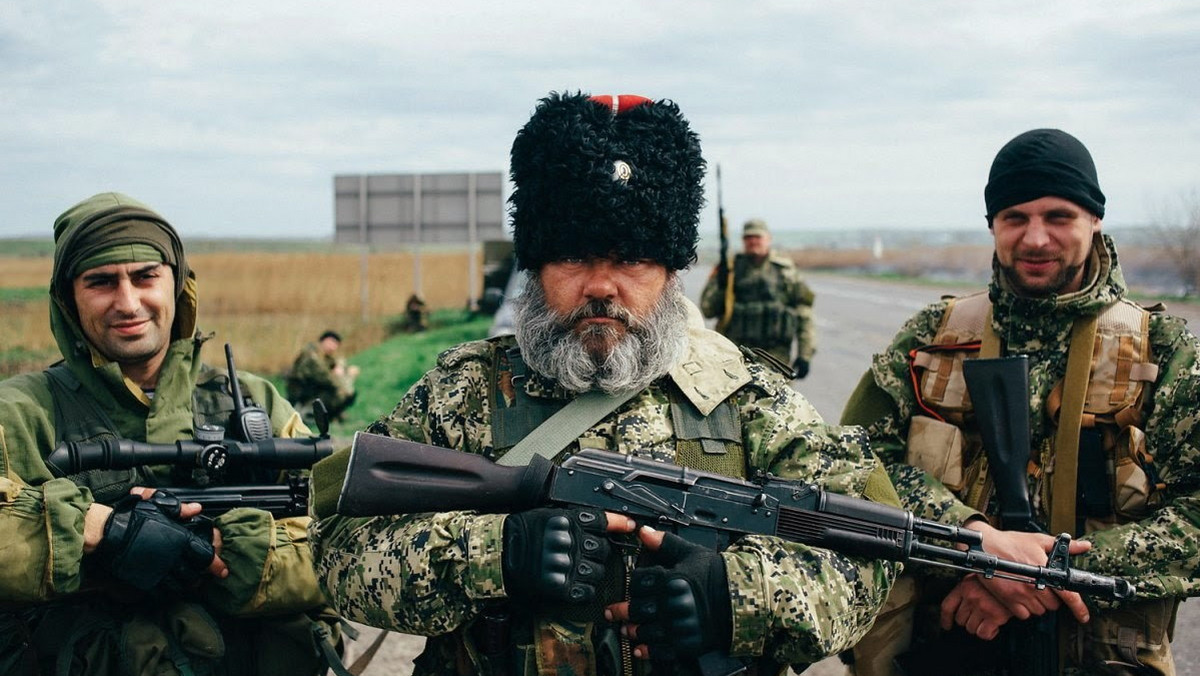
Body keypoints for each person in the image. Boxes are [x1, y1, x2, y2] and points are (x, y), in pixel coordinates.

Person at [308, 92, 900, 676]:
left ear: (670, 272)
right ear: (536, 268)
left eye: (632, 260)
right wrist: (494, 555)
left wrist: (734, 598)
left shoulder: (750, 399)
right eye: (572, 258)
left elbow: (871, 547)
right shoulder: (459, 394)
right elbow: (336, 544)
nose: (600, 285)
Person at [840, 129, 1200, 676]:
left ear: (1094, 220)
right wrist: (972, 540)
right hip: (946, 650)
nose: (1036, 239)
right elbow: (851, 464)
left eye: (1059, 217)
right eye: (1015, 218)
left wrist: (1047, 575)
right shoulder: (932, 337)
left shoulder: (1167, 352)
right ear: (993, 226)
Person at [0, 193, 341, 675]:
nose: (128, 302)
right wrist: (103, 533)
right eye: (100, 282)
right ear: (67, 299)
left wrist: (232, 554)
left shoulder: (256, 402)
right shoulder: (20, 411)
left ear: (178, 285)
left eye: (145, 277)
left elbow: (348, 540)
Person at [700, 217, 816, 378]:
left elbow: (804, 313)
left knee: (777, 401)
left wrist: (805, 355)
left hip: (775, 357)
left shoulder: (785, 271)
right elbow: (708, 310)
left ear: (768, 239)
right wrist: (722, 285)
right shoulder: (730, 269)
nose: (753, 241)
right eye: (748, 238)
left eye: (757, 237)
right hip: (736, 353)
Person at [286, 329, 360, 421]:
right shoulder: (311, 355)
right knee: (340, 393)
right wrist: (344, 384)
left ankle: (329, 414)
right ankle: (308, 412)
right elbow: (325, 377)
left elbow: (333, 366)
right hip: (302, 393)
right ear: (323, 341)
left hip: (314, 389)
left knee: (344, 392)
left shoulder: (324, 357)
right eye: (331, 342)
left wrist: (345, 371)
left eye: (336, 344)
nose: (333, 347)